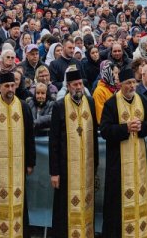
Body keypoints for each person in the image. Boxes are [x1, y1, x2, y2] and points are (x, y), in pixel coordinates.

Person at [0, 71, 34, 238]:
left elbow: (29, 136)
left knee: (19, 198)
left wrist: (30, 162)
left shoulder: (23, 107)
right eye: (6, 86)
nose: (10, 89)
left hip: (18, 165)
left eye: (12, 85)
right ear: (0, 87)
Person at [100, 64, 147, 238]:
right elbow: (105, 130)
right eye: (128, 83)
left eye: (133, 82)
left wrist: (141, 127)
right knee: (117, 206)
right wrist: (126, 128)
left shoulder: (142, 100)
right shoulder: (111, 103)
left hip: (139, 163)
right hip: (118, 166)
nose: (132, 86)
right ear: (120, 84)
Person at [49, 65, 95, 238]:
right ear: (68, 86)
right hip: (65, 168)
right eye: (75, 84)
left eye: (80, 84)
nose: (78, 87)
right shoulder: (59, 106)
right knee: (65, 206)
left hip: (87, 166)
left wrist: (95, 164)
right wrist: (54, 172)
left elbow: (94, 134)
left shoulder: (89, 102)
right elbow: (53, 141)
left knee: (86, 203)